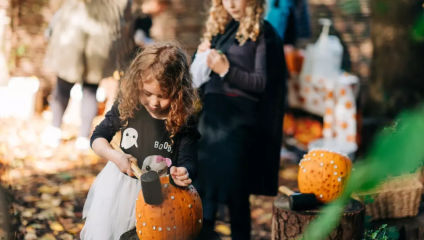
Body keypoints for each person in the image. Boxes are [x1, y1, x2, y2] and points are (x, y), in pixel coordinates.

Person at [80, 42, 201, 240]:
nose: (154, 102)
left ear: (178, 91)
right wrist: (114, 156)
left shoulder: (182, 120)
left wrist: (185, 171)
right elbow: (98, 138)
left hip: (161, 199)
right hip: (119, 191)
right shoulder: (130, 105)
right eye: (147, 93)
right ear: (138, 84)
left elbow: (189, 160)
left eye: (163, 96)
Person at [192, 0, 287, 239]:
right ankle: (203, 235)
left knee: (236, 190)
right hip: (211, 118)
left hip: (239, 121)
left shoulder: (263, 33)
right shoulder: (221, 30)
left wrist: (226, 70)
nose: (231, 3)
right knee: (204, 188)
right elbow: (196, 80)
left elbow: (261, 82)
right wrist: (200, 56)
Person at [41, 0, 133, 150]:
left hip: (72, 35)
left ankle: (55, 131)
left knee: (64, 85)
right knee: (90, 89)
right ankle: (83, 137)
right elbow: (125, 14)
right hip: (102, 39)